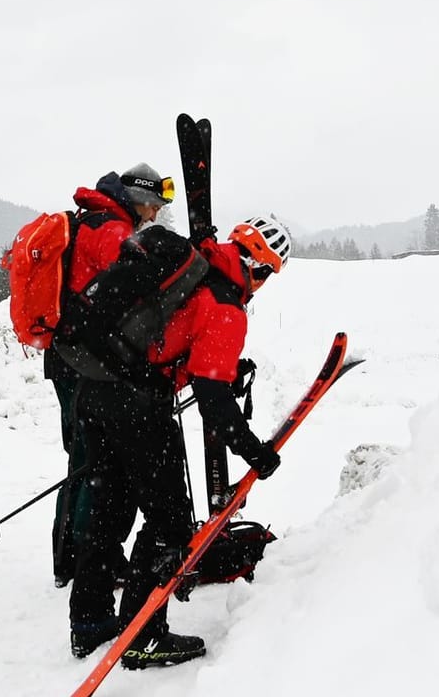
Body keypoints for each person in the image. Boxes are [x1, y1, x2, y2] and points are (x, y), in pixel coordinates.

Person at [66, 214, 291, 668]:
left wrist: (223, 371)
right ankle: (144, 636)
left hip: (95, 386)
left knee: (111, 507)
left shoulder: (198, 263)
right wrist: (255, 451)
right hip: (137, 407)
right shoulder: (226, 304)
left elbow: (175, 340)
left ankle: (89, 622)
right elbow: (212, 398)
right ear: (261, 270)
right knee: (169, 523)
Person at [49, 163, 174, 588]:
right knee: (92, 463)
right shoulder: (112, 231)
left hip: (70, 356)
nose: (154, 214)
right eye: (154, 204)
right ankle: (81, 560)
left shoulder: (94, 220)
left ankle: (73, 556)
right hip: (83, 360)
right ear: (138, 198)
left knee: (84, 459)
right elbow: (125, 290)